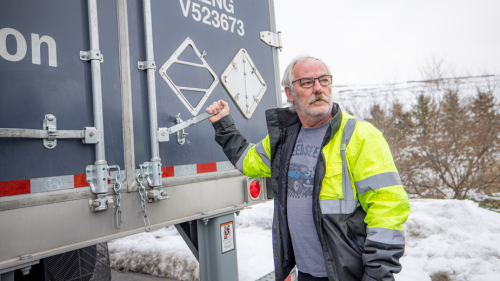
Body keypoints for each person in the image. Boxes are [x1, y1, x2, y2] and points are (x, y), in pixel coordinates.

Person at [206, 55, 411, 281]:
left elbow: (388, 209)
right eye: (307, 82)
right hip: (304, 273)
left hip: (348, 275)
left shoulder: (361, 136)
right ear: (289, 93)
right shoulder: (285, 138)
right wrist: (223, 124)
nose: (318, 88)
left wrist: (377, 275)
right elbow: (248, 161)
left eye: (324, 80)